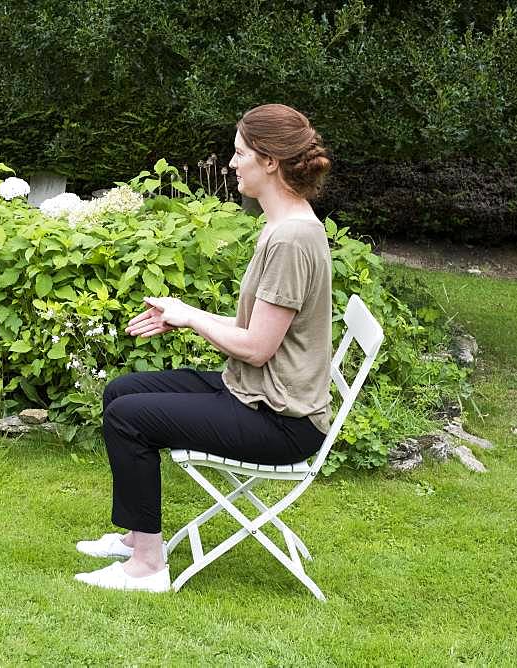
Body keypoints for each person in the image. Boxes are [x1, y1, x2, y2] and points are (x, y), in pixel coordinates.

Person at [74, 104, 334, 592]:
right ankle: (136, 539)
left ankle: (147, 568)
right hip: (254, 393)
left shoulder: (293, 239)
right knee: (121, 392)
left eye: (240, 154)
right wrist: (180, 313)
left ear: (270, 162)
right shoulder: (285, 227)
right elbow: (258, 336)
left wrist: (191, 317)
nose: (233, 163)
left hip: (282, 421)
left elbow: (257, 347)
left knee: (130, 418)